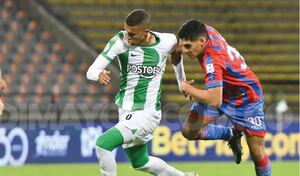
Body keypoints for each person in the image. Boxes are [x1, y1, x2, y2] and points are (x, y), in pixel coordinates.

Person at [86, 9, 197, 176]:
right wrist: (98, 74)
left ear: (146, 32)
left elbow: (177, 52)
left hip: (147, 113)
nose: (127, 37)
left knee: (103, 144)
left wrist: (181, 80)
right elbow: (91, 71)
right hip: (126, 111)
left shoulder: (167, 41)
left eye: (132, 34)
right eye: (126, 31)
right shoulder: (120, 41)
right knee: (140, 162)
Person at [172, 19, 271, 176]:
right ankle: (231, 134)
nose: (184, 50)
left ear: (202, 42)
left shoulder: (213, 58)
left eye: (188, 47)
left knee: (257, 153)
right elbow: (175, 51)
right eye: (183, 45)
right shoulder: (203, 32)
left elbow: (214, 100)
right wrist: (180, 81)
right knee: (189, 131)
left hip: (246, 98)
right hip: (222, 90)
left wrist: (188, 88)